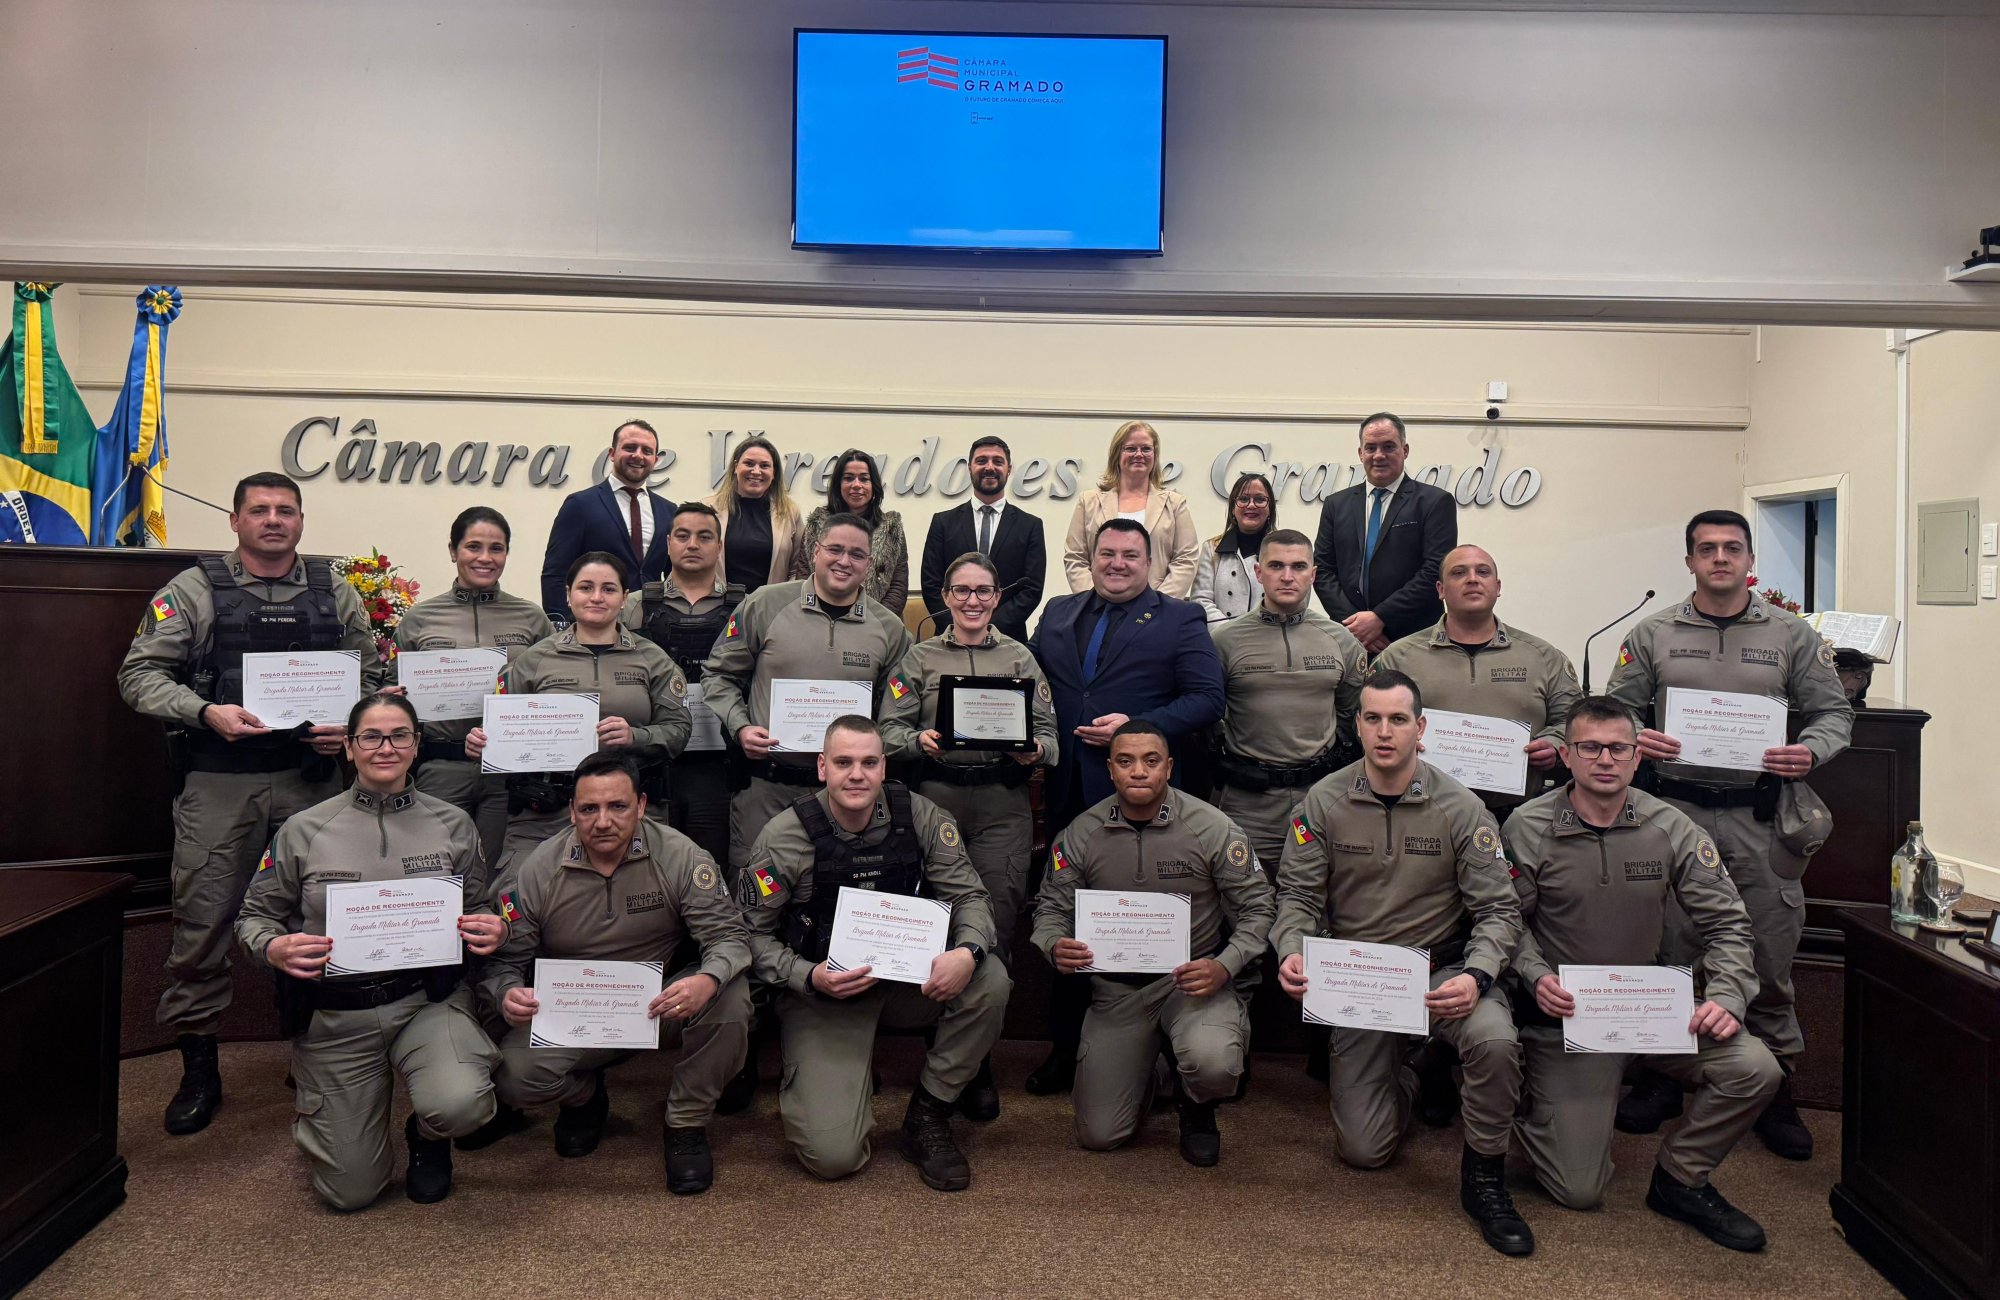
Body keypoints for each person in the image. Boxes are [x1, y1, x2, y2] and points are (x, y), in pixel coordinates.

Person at [118, 470, 385, 1136]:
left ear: (301, 521)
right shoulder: (194, 590)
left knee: (324, 911)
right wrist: (204, 711)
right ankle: (199, 1064)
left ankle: (318, 1048)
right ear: (236, 520)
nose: (273, 520)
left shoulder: (334, 590)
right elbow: (139, 674)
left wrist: (349, 724)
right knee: (204, 917)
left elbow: (373, 675)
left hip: (312, 782)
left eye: (285, 510)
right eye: (259, 510)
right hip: (221, 781)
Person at [1606, 509, 1852, 1161]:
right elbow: (1618, 709)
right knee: (1671, 946)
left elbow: (1833, 713)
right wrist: (1635, 737)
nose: (1720, 558)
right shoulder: (1653, 632)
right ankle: (1664, 1074)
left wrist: (1811, 750)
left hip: (1760, 816)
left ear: (1750, 561)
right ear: (1689, 561)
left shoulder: (1791, 634)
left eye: (1732, 548)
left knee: (1769, 951)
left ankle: (1775, 1084)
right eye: (1707, 548)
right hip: (1674, 813)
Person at [1272, 669, 1534, 1257]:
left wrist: (1477, 976)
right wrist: (1291, 950)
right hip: (1359, 977)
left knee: (1494, 1039)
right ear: (1358, 725)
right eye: (1373, 719)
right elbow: (1298, 897)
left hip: (1441, 971)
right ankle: (1416, 1070)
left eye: (1398, 719)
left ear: (1421, 728)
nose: (1385, 732)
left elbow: (1499, 910)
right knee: (1364, 1152)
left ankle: (1484, 1177)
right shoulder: (1324, 801)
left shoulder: (1460, 806)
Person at [1504, 696, 1780, 1252]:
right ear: (1566, 755)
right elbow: (1506, 922)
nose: (1605, 759)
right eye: (1590, 748)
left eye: (1618, 748)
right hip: (1568, 1021)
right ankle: (1532, 1106)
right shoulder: (1528, 826)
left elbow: (1728, 924)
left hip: (1650, 1010)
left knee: (1755, 1068)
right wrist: (1535, 976)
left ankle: (1681, 1177)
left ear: (1637, 756)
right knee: (1578, 1190)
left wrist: (1727, 996)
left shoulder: (1670, 826)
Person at [235, 692, 503, 1209]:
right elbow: (253, 918)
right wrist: (272, 948)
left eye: (399, 736)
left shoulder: (453, 823)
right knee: (350, 1192)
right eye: (371, 737)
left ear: (417, 745)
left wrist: (493, 929)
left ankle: (428, 1134)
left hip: (426, 1001)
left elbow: (479, 906)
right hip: (336, 1015)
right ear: (349, 748)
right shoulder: (304, 829)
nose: (386, 748)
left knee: (461, 1105)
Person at [737, 717, 1011, 1190]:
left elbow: (970, 897)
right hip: (825, 994)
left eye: (868, 763)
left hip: (908, 984)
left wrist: (966, 952)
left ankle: (928, 1114)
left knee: (990, 977)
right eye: (843, 762)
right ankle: (831, 1078)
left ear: (884, 767)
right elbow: (749, 935)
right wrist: (807, 976)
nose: (856, 775)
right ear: (822, 767)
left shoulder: (922, 816)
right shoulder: (784, 836)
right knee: (833, 1158)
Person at [480, 750, 753, 1194]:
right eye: (589, 808)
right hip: (574, 1011)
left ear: (641, 806)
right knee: (512, 1079)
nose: (603, 821)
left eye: (617, 806)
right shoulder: (536, 869)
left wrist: (707, 979)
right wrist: (506, 993)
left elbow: (729, 937)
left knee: (731, 996)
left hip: (658, 1003)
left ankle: (686, 1122)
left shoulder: (681, 856)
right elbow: (504, 961)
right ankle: (584, 1097)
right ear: (572, 811)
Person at [1027, 517, 1225, 1093]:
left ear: (1151, 562)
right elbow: (1030, 684)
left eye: (1130, 555)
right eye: (1106, 553)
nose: (1117, 564)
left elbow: (1207, 699)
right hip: (1066, 794)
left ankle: (1164, 1054)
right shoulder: (1057, 613)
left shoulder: (1181, 618)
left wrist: (1137, 727)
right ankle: (1066, 1047)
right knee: (1069, 919)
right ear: (1090, 558)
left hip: (1142, 798)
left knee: (1146, 921)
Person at [1031, 721, 1274, 1165]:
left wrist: (1225, 965)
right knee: (1099, 1135)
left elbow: (1258, 910)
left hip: (1192, 984)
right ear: (1110, 769)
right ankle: (1153, 1071)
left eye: (1151, 760)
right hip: (1117, 991)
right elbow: (1050, 909)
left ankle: (1196, 1105)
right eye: (1125, 761)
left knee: (1214, 1065)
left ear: (1169, 767)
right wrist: (1053, 944)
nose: (1138, 771)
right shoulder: (1081, 833)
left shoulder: (1212, 828)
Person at [881, 550, 1059, 1119]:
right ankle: (941, 1043)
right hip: (936, 800)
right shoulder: (918, 659)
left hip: (1002, 804)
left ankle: (976, 1059)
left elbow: (1051, 738)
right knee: (935, 920)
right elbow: (886, 730)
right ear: (945, 598)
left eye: (983, 590)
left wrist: (1035, 749)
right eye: (962, 590)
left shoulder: (1020, 658)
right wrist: (917, 742)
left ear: (998, 597)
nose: (973, 600)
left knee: (997, 924)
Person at [701, 512, 914, 869]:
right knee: (759, 885)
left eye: (857, 554)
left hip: (845, 796)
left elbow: (899, 707)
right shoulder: (764, 604)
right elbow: (719, 674)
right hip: (767, 787)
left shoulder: (890, 629)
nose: (844, 561)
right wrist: (740, 727)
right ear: (815, 552)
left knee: (838, 886)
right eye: (835, 549)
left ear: (869, 564)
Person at [470, 552, 690, 878]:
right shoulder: (532, 661)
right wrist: (482, 742)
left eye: (608, 589)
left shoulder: (652, 659)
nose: (597, 597)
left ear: (624, 598)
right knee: (515, 894)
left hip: (630, 812)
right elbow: (497, 729)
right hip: (545, 814)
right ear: (568, 594)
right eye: (586, 587)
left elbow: (679, 729)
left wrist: (636, 736)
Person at [393, 506, 553, 864]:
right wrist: (393, 697)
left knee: (503, 869)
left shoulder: (532, 617)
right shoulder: (420, 618)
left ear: (507, 554)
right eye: (473, 547)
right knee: (436, 864)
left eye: (496, 548)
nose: (485, 558)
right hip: (441, 769)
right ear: (453, 551)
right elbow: (390, 689)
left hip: (510, 774)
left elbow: (550, 688)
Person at [1373, 544, 1581, 817]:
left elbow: (1575, 722)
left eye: (1482, 572)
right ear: (1440, 590)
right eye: (1459, 572)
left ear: (1497, 587)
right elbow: (1365, 721)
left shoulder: (1543, 656)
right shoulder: (1399, 657)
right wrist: (1398, 741)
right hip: (1422, 811)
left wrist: (1553, 743)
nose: (1472, 579)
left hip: (1518, 814)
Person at [1209, 529, 1368, 872]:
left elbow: (1351, 713)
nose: (1286, 576)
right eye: (1276, 565)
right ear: (1258, 572)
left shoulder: (1341, 641)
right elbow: (1209, 716)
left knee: (1317, 891)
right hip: (1248, 802)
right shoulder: (1224, 641)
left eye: (1298, 566)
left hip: (1320, 798)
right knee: (1245, 892)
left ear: (1313, 574)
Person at [624, 502, 741, 868]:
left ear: (719, 546)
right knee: (652, 865)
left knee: (711, 864)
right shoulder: (634, 606)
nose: (693, 544)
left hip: (719, 764)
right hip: (652, 760)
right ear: (668, 543)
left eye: (704, 537)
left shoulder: (746, 607)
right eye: (683, 536)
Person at [1311, 412, 1458, 654]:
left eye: (1389, 447)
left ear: (1405, 450)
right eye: (1371, 448)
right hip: (1351, 638)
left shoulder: (1434, 502)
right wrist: (1356, 625)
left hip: (1413, 638)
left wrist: (1380, 618)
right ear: (1360, 453)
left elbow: (1435, 570)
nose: (1379, 455)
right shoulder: (1336, 504)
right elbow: (1323, 569)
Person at [539, 419, 675, 622]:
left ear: (655, 460)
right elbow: (556, 573)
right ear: (612, 454)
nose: (638, 455)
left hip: (651, 627)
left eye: (646, 451)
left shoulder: (669, 511)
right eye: (630, 447)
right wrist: (563, 625)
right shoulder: (580, 505)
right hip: (593, 623)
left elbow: (675, 576)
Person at [919, 436, 1045, 644]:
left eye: (998, 461)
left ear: (1009, 469)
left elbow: (1032, 589)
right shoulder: (943, 522)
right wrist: (959, 626)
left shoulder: (1030, 525)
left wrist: (988, 628)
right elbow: (931, 583)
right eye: (981, 461)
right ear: (970, 467)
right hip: (950, 638)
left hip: (1007, 640)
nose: (989, 467)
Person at [1061, 420, 1200, 598]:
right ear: (1117, 455)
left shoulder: (1174, 504)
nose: (1139, 454)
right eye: (1131, 448)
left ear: (1155, 455)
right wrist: (1095, 600)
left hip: (1155, 608)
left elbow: (1186, 559)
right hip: (1098, 606)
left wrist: (1158, 604)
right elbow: (1076, 558)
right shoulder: (1088, 502)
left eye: (1146, 449)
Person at [790, 448, 910, 613]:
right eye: (848, 478)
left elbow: (898, 587)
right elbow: (804, 577)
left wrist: (873, 621)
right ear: (838, 484)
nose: (856, 485)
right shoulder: (817, 524)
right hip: (820, 618)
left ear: (873, 485)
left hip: (877, 622)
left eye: (864, 479)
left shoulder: (891, 528)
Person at [709, 435, 800, 593]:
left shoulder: (790, 513)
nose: (756, 471)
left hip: (769, 605)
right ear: (736, 467)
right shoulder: (708, 509)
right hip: (717, 605)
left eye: (764, 466)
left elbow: (796, 570)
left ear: (774, 472)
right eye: (749, 463)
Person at [1192, 472, 1276, 622]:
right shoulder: (1211, 549)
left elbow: (1291, 601)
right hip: (1220, 634)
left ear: (1270, 508)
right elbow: (1201, 600)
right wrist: (1228, 631)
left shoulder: (1283, 551)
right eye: (1243, 499)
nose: (1251, 505)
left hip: (1268, 635)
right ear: (1232, 508)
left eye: (1260, 499)